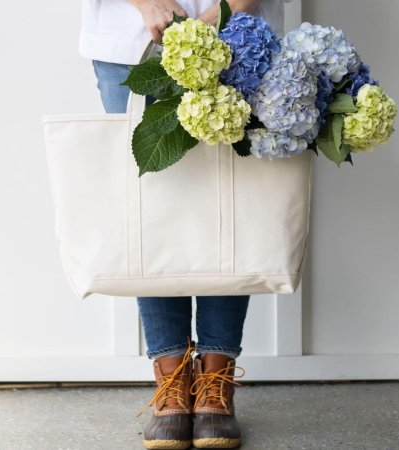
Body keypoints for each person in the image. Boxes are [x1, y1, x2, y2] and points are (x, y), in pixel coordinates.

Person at [79, 1, 290, 448]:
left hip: (241, 36)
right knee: (151, 208)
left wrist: (231, 7)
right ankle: (170, 382)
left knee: (232, 204)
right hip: (130, 38)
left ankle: (216, 382)